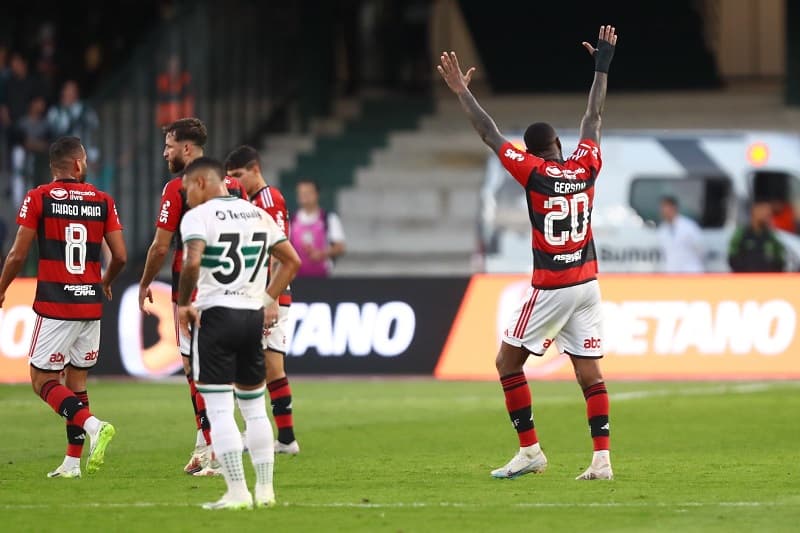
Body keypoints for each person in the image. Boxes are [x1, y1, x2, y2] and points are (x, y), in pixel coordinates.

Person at [437, 25, 618, 480]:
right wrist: (601, 66)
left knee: (506, 362)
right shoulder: (586, 165)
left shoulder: (532, 171)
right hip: (588, 284)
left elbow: (490, 133)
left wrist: (462, 91)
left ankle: (531, 451)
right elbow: (592, 119)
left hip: (554, 285)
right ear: (559, 145)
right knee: (589, 374)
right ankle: (602, 461)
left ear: (534, 150)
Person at [176, 157, 301, 509]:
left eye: (187, 188)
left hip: (215, 317)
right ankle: (266, 491)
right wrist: (265, 299)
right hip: (251, 318)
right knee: (255, 409)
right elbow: (292, 260)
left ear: (201, 182)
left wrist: (184, 303)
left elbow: (193, 261)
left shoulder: (198, 217)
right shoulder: (256, 214)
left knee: (218, 409)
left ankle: (236, 492)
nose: (186, 196)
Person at [0, 136, 127, 478]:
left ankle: (94, 425)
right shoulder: (102, 200)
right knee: (76, 382)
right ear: (77, 164)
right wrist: (105, 282)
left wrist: (1, 289)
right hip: (90, 306)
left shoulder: (39, 197)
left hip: (56, 304)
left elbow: (17, 254)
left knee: (41, 380)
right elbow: (121, 256)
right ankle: (72, 463)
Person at [138, 117, 246, 476]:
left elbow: (160, 245)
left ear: (186, 148)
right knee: (202, 368)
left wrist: (144, 283)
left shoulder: (177, 188)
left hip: (194, 289)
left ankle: (216, 448)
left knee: (200, 369)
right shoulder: (234, 186)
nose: (164, 152)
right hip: (232, 286)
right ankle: (205, 443)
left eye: (168, 145)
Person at [225, 145, 300, 455]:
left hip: (266, 296)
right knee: (271, 367)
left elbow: (278, 250)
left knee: (249, 367)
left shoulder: (268, 200)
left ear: (255, 170)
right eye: (229, 178)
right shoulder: (251, 201)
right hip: (263, 295)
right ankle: (285, 439)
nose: (235, 183)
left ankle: (258, 433)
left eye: (238, 176)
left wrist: (270, 298)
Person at [289, 179, 346, 277]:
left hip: (323, 277)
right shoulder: (291, 220)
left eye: (308, 193)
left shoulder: (329, 219)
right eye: (301, 193)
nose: (304, 196)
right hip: (296, 277)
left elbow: (340, 247)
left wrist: (322, 254)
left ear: (317, 194)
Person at [46, 80, 100, 171]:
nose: (69, 93)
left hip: (83, 159)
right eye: (67, 90)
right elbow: (54, 132)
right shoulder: (55, 112)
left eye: (72, 91)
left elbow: (94, 134)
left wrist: (93, 157)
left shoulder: (86, 111)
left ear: (77, 93)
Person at [728, 200, 786, 272]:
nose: (767, 214)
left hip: (768, 281)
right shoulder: (741, 234)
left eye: (768, 212)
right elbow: (732, 258)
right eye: (764, 211)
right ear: (754, 211)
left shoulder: (772, 236)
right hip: (746, 280)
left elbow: (780, 260)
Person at [657, 195, 705, 273]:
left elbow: (700, 249)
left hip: (691, 271)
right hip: (672, 272)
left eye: (665, 207)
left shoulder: (689, 226)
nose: (662, 210)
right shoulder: (662, 229)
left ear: (673, 207)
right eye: (661, 207)